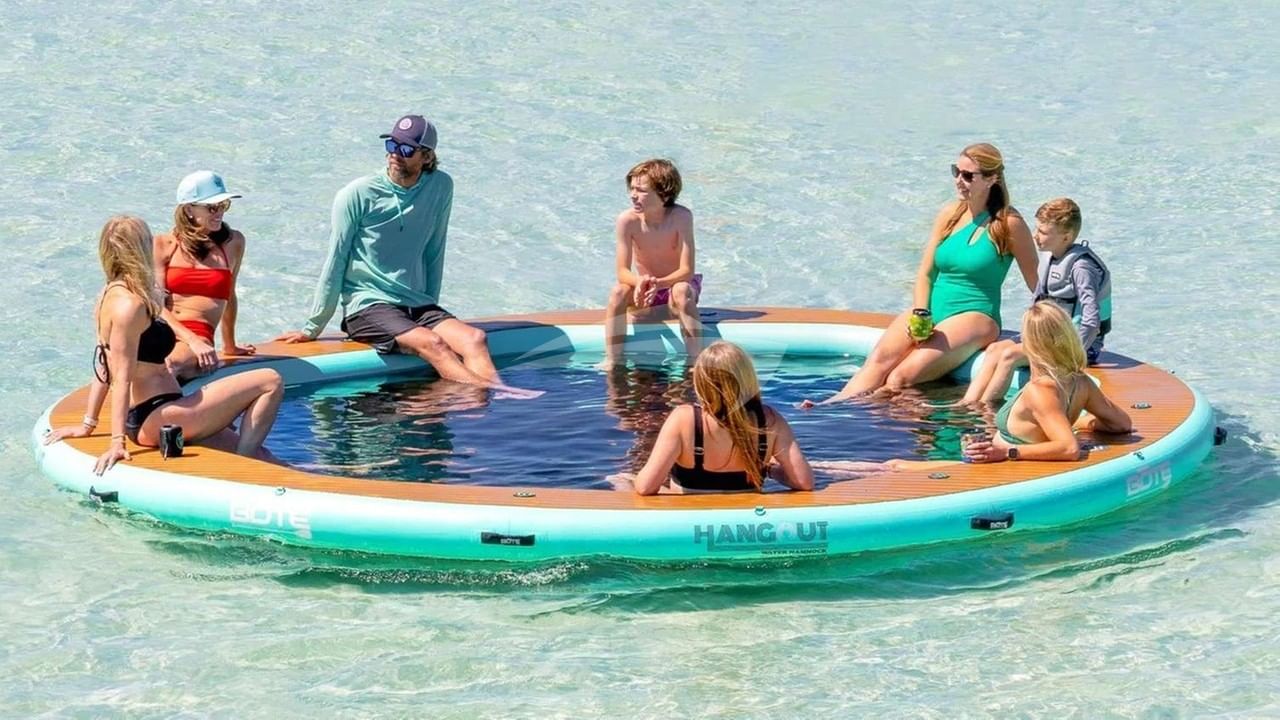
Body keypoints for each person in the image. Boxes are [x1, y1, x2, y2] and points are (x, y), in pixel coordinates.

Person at [274, 114, 539, 399]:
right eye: (391, 145)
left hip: (415, 303)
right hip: (368, 306)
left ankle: (489, 400)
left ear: (427, 156)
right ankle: (499, 392)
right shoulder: (357, 194)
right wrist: (313, 327)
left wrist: (430, 303)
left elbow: (435, 248)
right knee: (434, 344)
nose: (395, 155)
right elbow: (336, 260)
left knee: (475, 339)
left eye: (406, 149)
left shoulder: (440, 186)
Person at [44, 216, 284, 473]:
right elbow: (121, 377)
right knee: (270, 380)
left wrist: (88, 424)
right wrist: (117, 443)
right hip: (158, 414)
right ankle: (242, 468)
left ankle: (250, 460)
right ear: (140, 249)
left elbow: (103, 365)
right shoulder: (131, 306)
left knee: (267, 456)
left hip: (165, 410)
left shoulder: (109, 295)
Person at [813, 143, 1038, 403]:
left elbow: (1037, 284)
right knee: (877, 362)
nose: (959, 180)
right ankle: (831, 406)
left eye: (968, 175)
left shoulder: (1009, 225)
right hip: (932, 308)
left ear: (992, 179)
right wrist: (921, 314)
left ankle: (891, 416)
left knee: (900, 378)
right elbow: (925, 274)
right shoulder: (950, 214)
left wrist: (1054, 328)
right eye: (956, 171)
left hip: (975, 315)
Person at [963, 197, 1112, 403]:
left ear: (1066, 237)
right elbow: (1037, 303)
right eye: (1036, 229)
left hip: (1078, 346)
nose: (1035, 236)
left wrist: (1073, 356)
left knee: (1008, 357)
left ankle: (984, 410)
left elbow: (1091, 321)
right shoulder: (1050, 259)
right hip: (1052, 339)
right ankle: (968, 403)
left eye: (1042, 232)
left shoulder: (1082, 268)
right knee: (995, 349)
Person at [619, 341, 813, 495]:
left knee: (623, 479)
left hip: (690, 522)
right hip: (744, 518)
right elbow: (804, 482)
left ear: (702, 382)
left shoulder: (684, 419)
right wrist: (768, 470)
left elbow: (646, 487)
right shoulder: (769, 419)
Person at [963, 302, 1131, 463]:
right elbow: (1121, 423)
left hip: (1017, 471)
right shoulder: (1080, 381)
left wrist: (1008, 452)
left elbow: (1069, 449)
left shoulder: (1040, 391)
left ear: (1030, 342)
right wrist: (1079, 423)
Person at [155, 170, 253, 381]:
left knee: (169, 365)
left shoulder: (234, 243)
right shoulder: (164, 244)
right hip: (164, 332)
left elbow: (230, 295)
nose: (220, 213)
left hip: (198, 337)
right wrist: (191, 340)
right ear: (188, 209)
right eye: (212, 207)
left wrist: (229, 345)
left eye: (224, 205)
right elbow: (155, 305)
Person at [603, 159, 701, 366]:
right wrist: (640, 282)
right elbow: (622, 271)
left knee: (682, 290)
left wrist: (660, 283)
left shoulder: (681, 217)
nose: (633, 195)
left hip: (674, 290)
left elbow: (687, 270)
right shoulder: (627, 221)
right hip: (645, 291)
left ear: (664, 194)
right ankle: (613, 360)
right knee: (618, 292)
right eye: (632, 188)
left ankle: (694, 361)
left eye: (641, 190)